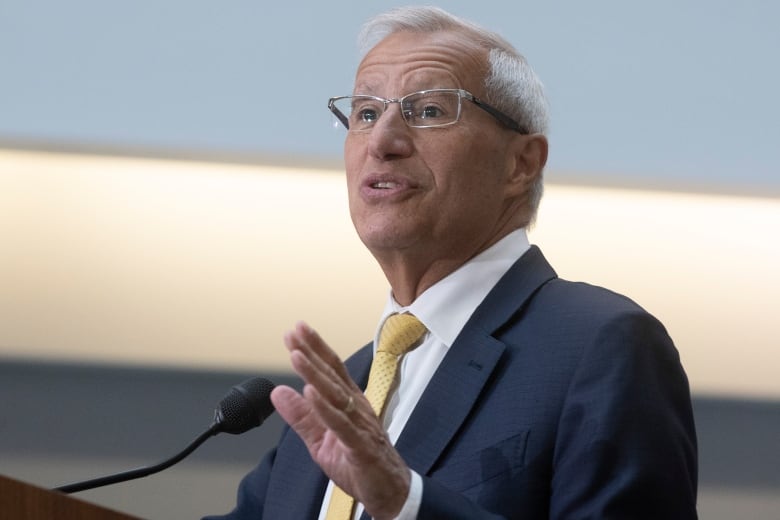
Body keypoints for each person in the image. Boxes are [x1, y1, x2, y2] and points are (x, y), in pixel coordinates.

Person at [206, 6, 697, 519]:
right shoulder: (338, 400)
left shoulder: (600, 346)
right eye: (366, 113)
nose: (381, 142)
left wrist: (407, 502)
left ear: (520, 163)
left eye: (429, 111)